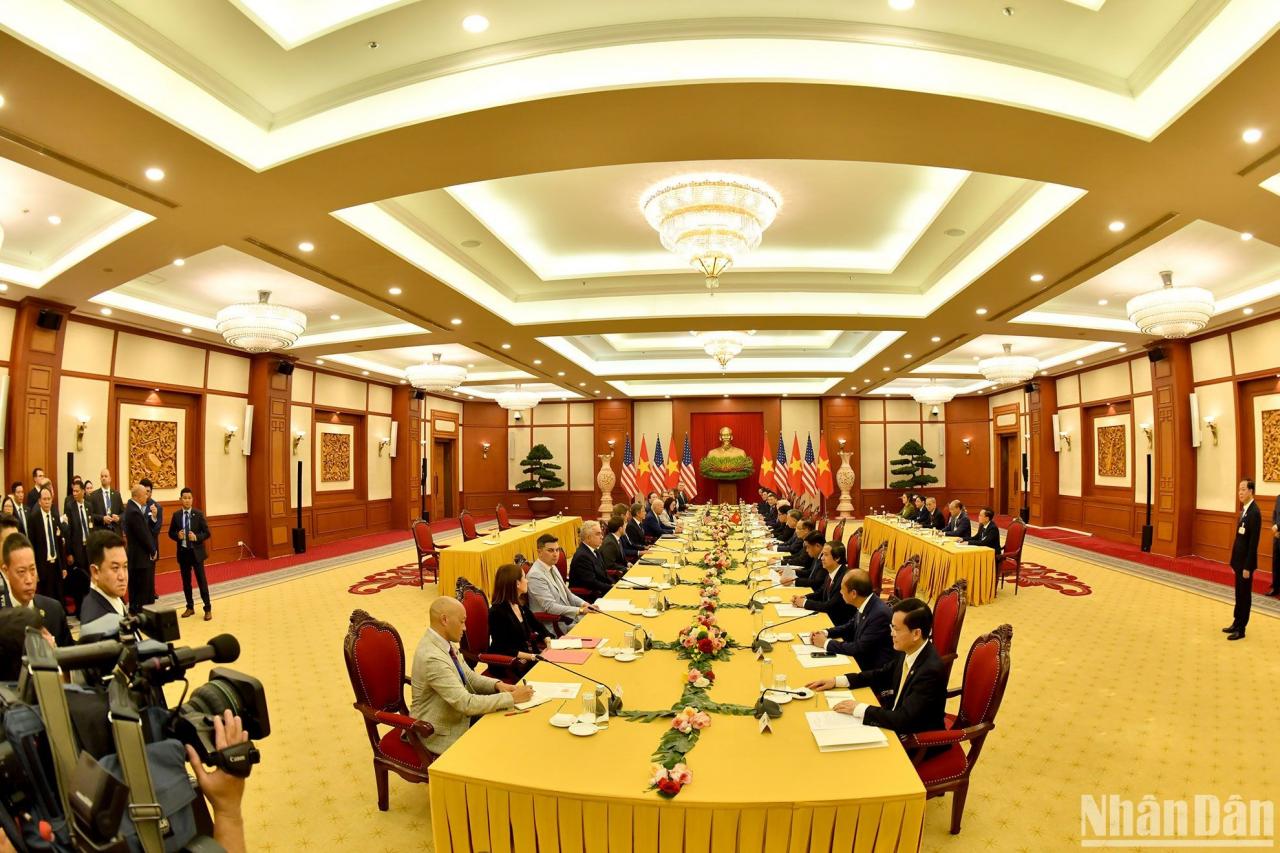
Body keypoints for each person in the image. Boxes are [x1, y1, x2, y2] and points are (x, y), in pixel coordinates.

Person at [806, 598, 946, 737]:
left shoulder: (929, 671)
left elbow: (904, 720)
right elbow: (882, 674)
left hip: (916, 740)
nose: (891, 633)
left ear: (916, 633)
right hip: (893, 719)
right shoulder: (908, 648)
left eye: (896, 629)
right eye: (891, 627)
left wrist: (860, 709)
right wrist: (837, 681)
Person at [410, 597, 533, 754]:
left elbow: (469, 676)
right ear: (444, 620)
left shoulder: (444, 642)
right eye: (462, 622)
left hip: (455, 714)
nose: (465, 628)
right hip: (437, 731)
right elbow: (466, 703)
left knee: (511, 721)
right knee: (504, 740)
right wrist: (512, 698)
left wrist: (498, 685)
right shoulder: (432, 657)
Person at [807, 570, 895, 671]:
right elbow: (850, 626)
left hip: (870, 670)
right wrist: (825, 632)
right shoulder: (867, 602)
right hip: (861, 659)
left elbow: (859, 648)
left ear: (853, 593)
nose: (840, 592)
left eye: (842, 589)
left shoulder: (879, 614)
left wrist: (826, 643)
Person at [0, 533, 72, 646]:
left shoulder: (54, 610)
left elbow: (71, 658)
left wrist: (55, 652)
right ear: (6, 571)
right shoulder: (3, 619)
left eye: (32, 570)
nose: (29, 580)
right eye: (21, 572)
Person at [487, 562, 551, 675]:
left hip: (527, 657)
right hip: (509, 664)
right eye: (524, 578)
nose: (527, 581)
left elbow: (538, 625)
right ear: (517, 583)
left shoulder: (519, 605)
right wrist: (533, 656)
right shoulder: (497, 612)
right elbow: (502, 648)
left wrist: (547, 640)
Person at [525, 534, 592, 632]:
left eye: (557, 550)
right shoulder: (535, 575)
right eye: (550, 550)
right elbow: (550, 607)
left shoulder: (552, 566)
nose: (556, 554)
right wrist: (579, 610)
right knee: (595, 629)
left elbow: (567, 593)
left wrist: (585, 604)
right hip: (555, 625)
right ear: (539, 552)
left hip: (569, 618)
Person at [169, 487, 212, 620]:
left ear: (192, 499)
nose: (187, 500)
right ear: (180, 499)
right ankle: (189, 607)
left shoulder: (198, 514)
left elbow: (207, 533)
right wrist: (178, 535)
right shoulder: (176, 515)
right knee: (186, 582)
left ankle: (207, 608)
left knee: (201, 581)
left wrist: (197, 537)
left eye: (189, 498)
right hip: (183, 553)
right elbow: (171, 533)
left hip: (196, 553)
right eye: (184, 498)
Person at [1226, 479, 1261, 641]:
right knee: (1238, 594)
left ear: (1251, 491)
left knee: (1245, 596)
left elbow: (1253, 544)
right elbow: (1239, 539)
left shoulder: (1254, 512)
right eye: (1239, 489)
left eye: (1243, 489)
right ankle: (1236, 622)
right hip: (1239, 562)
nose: (1240, 492)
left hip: (1246, 565)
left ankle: (1241, 629)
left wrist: (1248, 567)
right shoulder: (1245, 510)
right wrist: (1233, 561)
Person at [791, 542, 854, 624]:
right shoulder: (832, 571)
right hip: (827, 617)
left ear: (837, 558)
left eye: (826, 555)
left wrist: (804, 603)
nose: (822, 558)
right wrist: (805, 597)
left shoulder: (845, 578)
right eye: (822, 555)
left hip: (837, 623)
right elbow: (821, 592)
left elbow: (830, 606)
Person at [79, 531, 129, 626]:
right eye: (115, 568)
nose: (122, 576)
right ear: (95, 572)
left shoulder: (113, 597)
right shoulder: (97, 624)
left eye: (125, 566)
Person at [26, 485, 66, 602]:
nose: (47, 501)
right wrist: (35, 569)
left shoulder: (54, 517)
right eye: (44, 499)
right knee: (47, 599)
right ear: (39, 501)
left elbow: (59, 543)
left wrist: (63, 567)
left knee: (59, 598)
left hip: (56, 565)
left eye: (49, 499)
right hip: (43, 566)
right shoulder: (34, 518)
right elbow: (32, 545)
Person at [123, 483, 157, 614]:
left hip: (137, 557)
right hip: (139, 558)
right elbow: (143, 535)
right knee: (139, 590)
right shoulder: (134, 512)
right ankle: (137, 615)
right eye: (145, 495)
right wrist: (152, 550)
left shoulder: (132, 508)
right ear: (137, 496)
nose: (147, 497)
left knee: (137, 590)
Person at [64, 479, 93, 618]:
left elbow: (91, 525)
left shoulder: (88, 505)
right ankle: (80, 610)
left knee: (89, 579)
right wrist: (69, 552)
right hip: (77, 549)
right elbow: (68, 532)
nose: (74, 494)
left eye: (77, 491)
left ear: (83, 491)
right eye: (73, 491)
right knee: (79, 580)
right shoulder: (70, 507)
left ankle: (90, 607)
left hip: (89, 548)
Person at [568, 520, 612, 599]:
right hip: (589, 597)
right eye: (598, 534)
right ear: (588, 538)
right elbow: (592, 582)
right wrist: (611, 588)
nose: (602, 537)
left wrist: (614, 584)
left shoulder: (594, 550)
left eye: (601, 533)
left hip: (600, 590)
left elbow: (603, 573)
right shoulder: (582, 556)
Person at [88, 468, 123, 533]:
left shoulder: (116, 494)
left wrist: (119, 518)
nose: (103, 478)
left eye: (106, 476)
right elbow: (90, 515)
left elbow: (123, 513)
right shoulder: (93, 495)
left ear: (110, 479)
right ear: (100, 479)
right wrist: (102, 518)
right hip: (101, 532)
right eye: (102, 476)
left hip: (115, 531)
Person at [1269, 493, 1280, 597]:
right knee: (1276, 562)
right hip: (1277, 536)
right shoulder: (1278, 497)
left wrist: (1278, 526)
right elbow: (1275, 514)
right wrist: (1274, 525)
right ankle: (1275, 587)